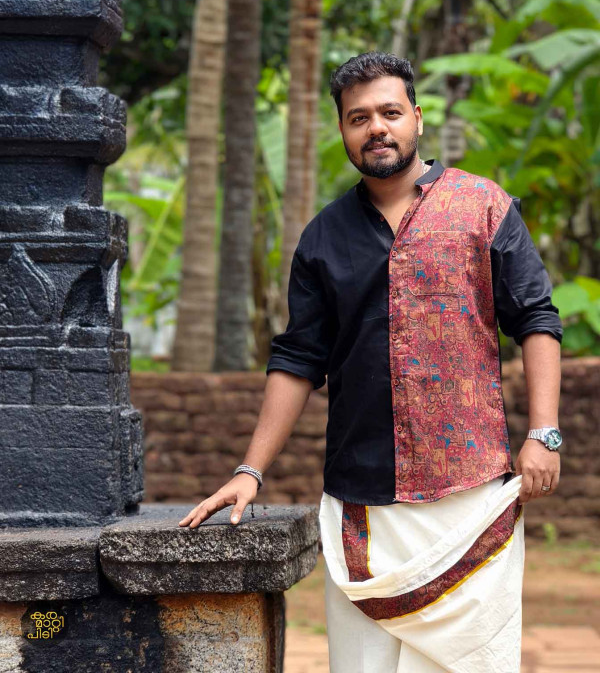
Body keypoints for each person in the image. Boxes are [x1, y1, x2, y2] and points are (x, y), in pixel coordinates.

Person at [178, 52, 563, 672]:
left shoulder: (484, 207)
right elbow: (298, 358)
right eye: (359, 118)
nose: (376, 128)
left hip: (469, 496)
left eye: (390, 112)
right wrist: (250, 470)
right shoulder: (324, 237)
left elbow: (536, 319)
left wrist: (544, 433)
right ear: (343, 130)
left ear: (416, 117)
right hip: (363, 502)